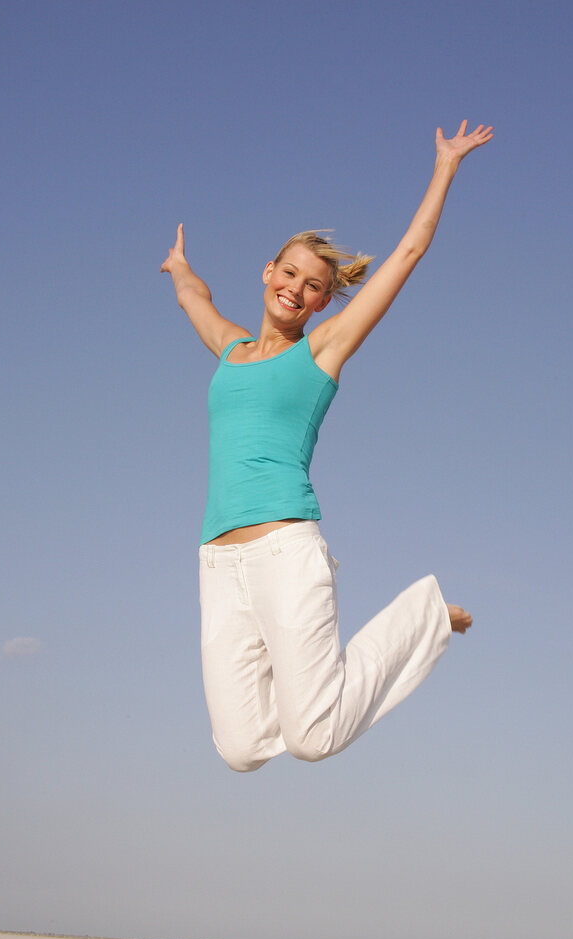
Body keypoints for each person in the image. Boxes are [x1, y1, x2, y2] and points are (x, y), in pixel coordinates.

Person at [161, 119, 493, 772]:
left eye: (313, 284)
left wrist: (445, 167)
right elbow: (194, 301)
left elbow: (405, 256)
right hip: (217, 562)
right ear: (268, 272)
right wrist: (178, 267)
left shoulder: (322, 350)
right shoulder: (230, 349)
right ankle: (320, 680)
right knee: (238, 748)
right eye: (288, 273)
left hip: (286, 551)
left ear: (321, 299)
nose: (296, 288)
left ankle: (423, 616)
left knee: (311, 739)